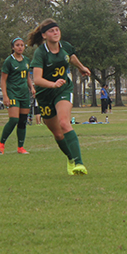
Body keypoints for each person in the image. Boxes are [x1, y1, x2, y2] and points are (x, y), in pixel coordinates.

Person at [27, 19, 92, 175]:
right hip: (44, 94)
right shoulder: (40, 53)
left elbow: (71, 56)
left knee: (64, 122)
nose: (55, 33)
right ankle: (70, 158)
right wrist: (52, 84)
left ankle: (79, 163)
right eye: (51, 31)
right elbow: (37, 80)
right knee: (57, 133)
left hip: (63, 89)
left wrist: (82, 68)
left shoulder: (65, 46)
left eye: (57, 30)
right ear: (44, 35)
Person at [0, 37, 35, 155]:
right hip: (13, 93)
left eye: (22, 45)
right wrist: (5, 96)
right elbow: (3, 80)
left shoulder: (27, 60)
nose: (20, 47)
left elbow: (27, 76)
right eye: (17, 45)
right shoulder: (9, 61)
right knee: (14, 119)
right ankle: (1, 143)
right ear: (13, 47)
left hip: (24, 94)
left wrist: (32, 88)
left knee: (23, 121)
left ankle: (20, 147)